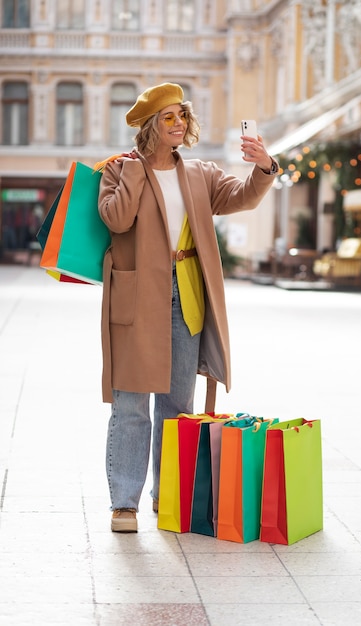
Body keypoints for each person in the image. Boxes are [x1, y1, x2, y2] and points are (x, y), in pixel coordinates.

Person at [96, 82, 278, 532]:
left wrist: (263, 168)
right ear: (150, 127)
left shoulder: (200, 173)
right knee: (131, 403)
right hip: (138, 297)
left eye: (182, 115)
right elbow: (116, 219)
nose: (179, 124)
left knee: (177, 405)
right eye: (168, 117)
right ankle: (125, 503)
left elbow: (241, 197)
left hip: (187, 296)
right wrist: (136, 173)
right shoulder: (119, 171)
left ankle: (169, 494)